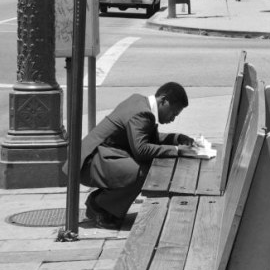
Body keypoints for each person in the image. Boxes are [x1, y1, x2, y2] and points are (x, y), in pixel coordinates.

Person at [74, 81, 194, 227]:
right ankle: (101, 206)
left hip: (99, 157)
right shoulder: (142, 113)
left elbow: (146, 138)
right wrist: (177, 151)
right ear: (163, 100)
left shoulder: (139, 102)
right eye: (173, 113)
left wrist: (176, 139)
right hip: (89, 163)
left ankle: (104, 202)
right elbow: (142, 150)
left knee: (145, 166)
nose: (173, 118)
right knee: (143, 172)